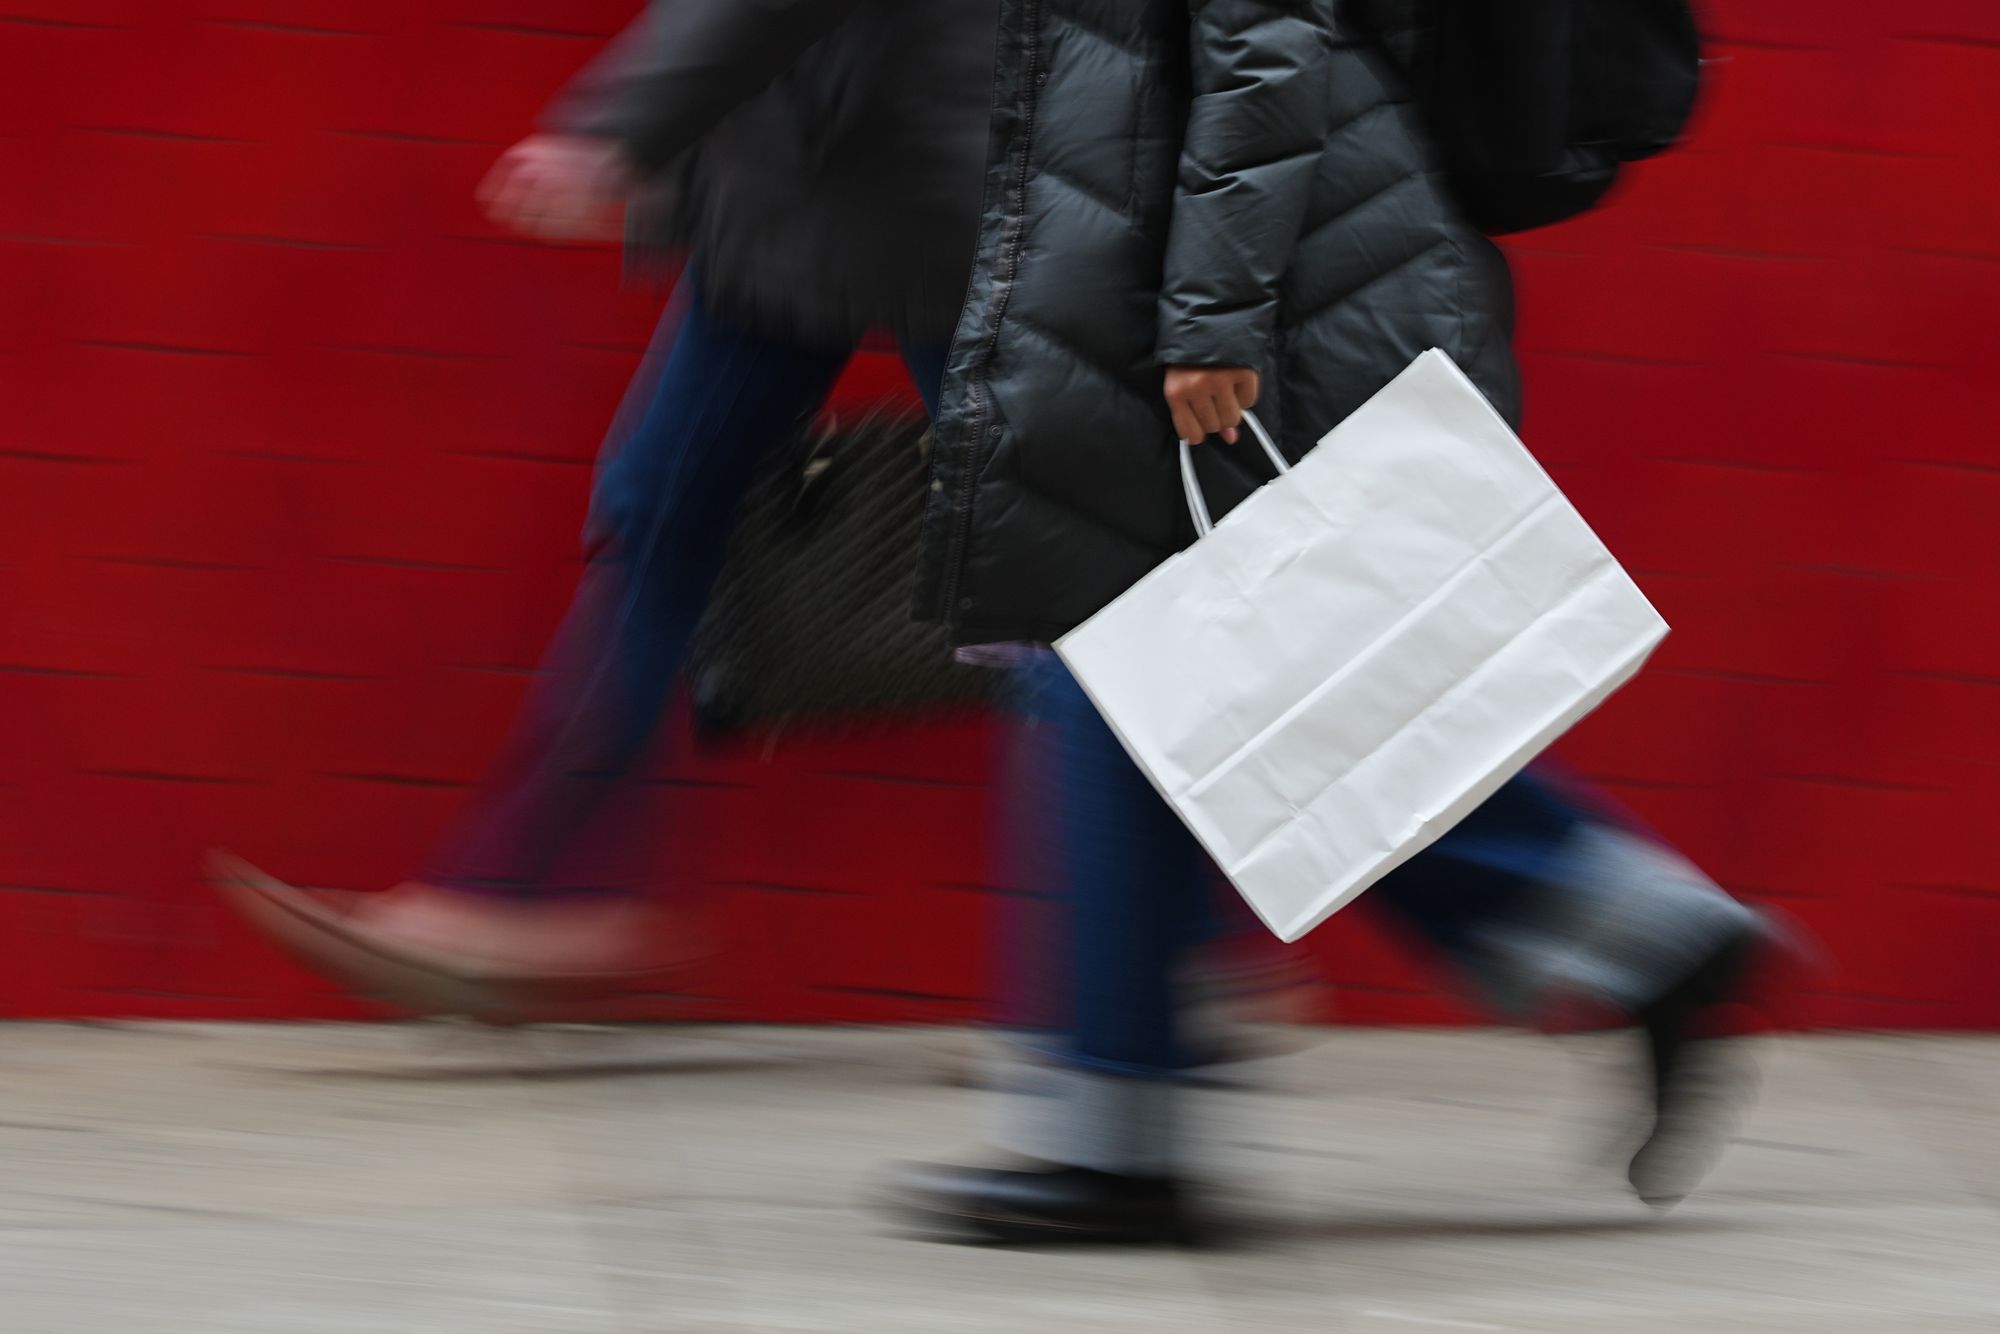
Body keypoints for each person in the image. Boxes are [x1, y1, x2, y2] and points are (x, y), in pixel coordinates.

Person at [888, 0, 1783, 1242]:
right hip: (1173, 244)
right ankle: (1640, 931)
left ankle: (1121, 1131)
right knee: (1188, 663)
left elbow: (1263, 41)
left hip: (1240, 274)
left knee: (1113, 653)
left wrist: (1211, 318)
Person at [212, 0, 997, 1012]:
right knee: (665, 502)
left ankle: (1156, 943)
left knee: (1040, 545)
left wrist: (617, 129)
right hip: (840, 176)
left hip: (901, 167)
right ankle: (535, 884)